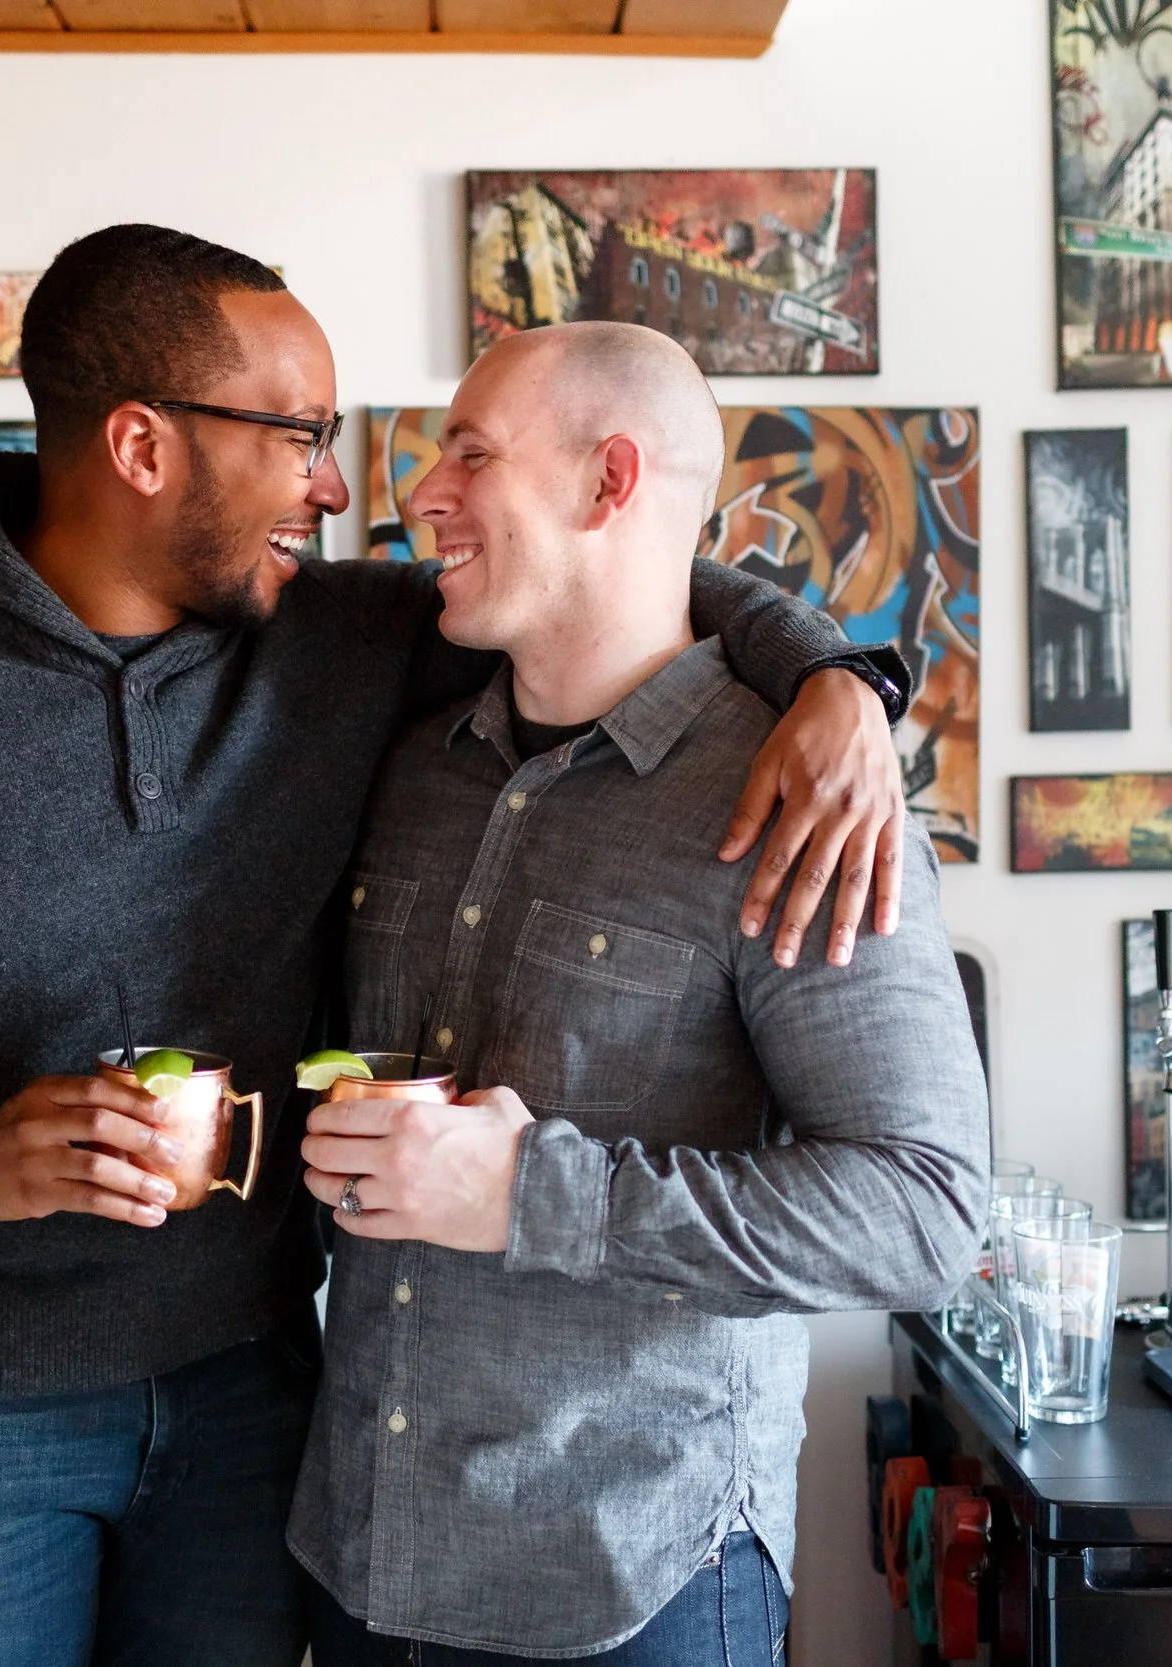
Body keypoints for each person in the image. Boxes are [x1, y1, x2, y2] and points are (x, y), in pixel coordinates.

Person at [0, 227, 914, 1667]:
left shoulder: (341, 638)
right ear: (144, 447)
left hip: (261, 1410)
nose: (340, 486)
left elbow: (622, 570)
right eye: (298, 436)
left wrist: (835, 676)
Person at [290, 321, 990, 1665]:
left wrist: (525, 1190)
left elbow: (926, 1214)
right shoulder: (416, 763)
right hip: (361, 1557)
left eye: (472, 453)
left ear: (610, 483)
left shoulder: (803, 801)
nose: (422, 492)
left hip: (633, 1583)